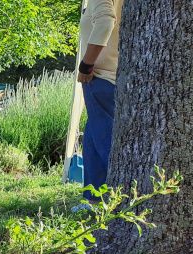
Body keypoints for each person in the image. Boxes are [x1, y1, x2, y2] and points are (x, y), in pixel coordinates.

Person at [77, 0, 122, 206]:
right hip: (107, 78)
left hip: (100, 77)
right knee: (92, 141)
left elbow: (105, 23)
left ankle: (117, 202)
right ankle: (93, 199)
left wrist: (86, 65)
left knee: (106, 145)